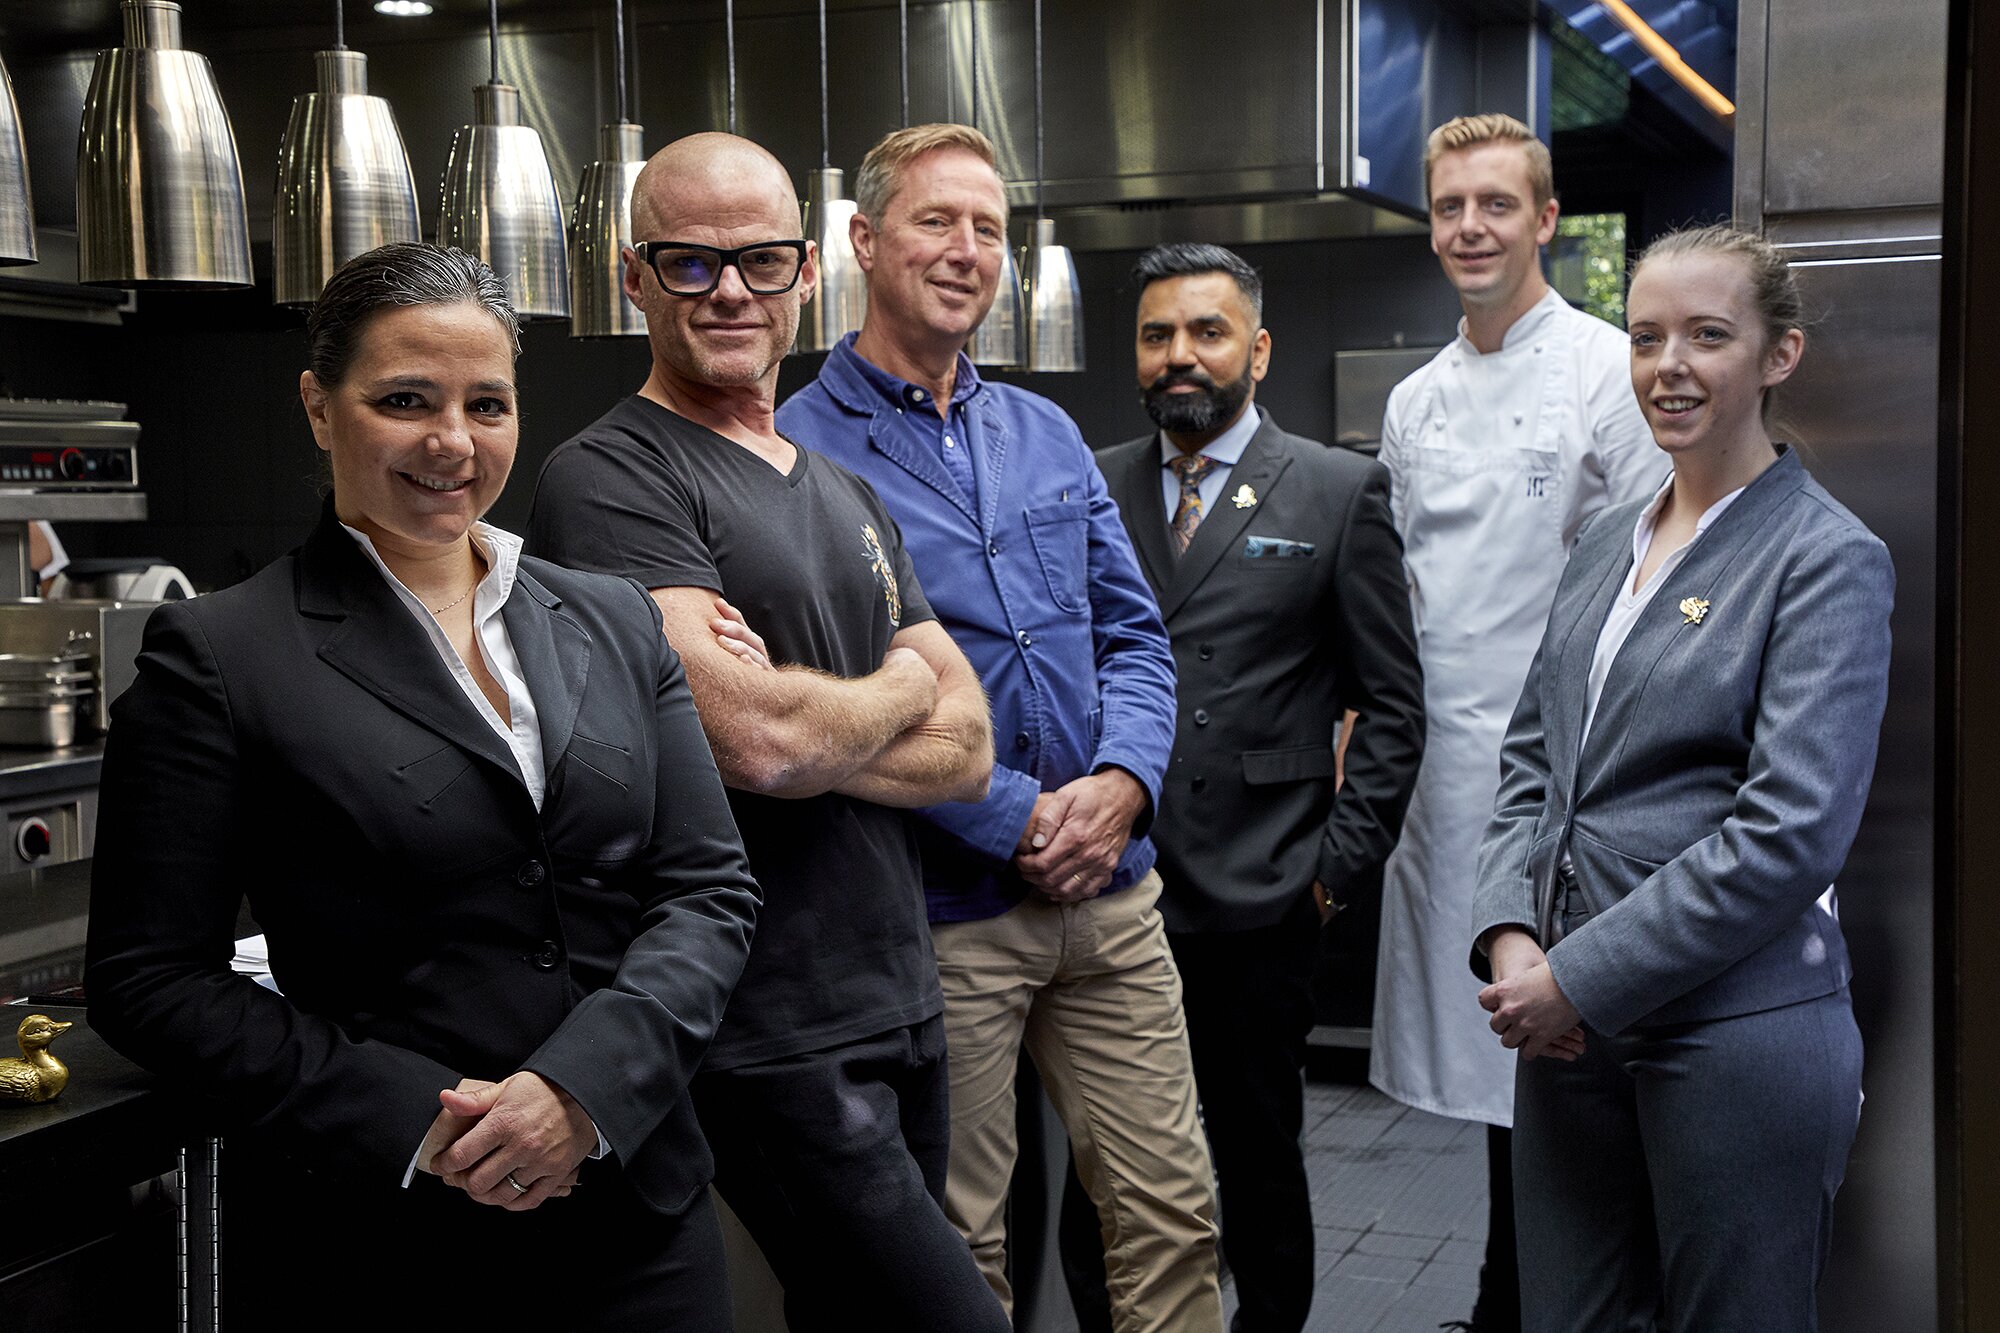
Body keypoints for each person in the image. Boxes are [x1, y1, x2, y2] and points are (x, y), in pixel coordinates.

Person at [84, 243, 761, 1329]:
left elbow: (709, 892)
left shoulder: (613, 616)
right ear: (318, 405)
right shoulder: (219, 652)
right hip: (387, 1236)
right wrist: (420, 1117)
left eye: (485, 404)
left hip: (638, 1215)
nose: (452, 442)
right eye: (405, 399)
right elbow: (147, 976)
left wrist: (580, 1091)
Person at [524, 133, 1008, 1332]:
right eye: (689, 264)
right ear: (634, 278)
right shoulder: (612, 478)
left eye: (758, 260)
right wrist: (898, 679)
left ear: (805, 271)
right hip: (765, 1015)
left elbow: (971, 750)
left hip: (897, 985)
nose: (730, 290)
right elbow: (760, 746)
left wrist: (827, 709)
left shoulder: (840, 488)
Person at [777, 123, 1222, 1332]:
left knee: (1173, 1214)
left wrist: (1123, 783)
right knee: (959, 1240)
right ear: (863, 241)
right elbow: (822, 706)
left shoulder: (1046, 434)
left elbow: (1134, 637)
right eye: (937, 221)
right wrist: (1013, 813)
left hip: (1112, 896)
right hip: (942, 911)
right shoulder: (797, 454)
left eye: (988, 228)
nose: (966, 250)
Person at [1472, 223, 1889, 1331]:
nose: (1668, 366)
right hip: (1567, 1033)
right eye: (1645, 335)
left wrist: (1578, 974)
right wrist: (1511, 934)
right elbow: (1530, 758)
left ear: (1775, 356)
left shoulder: (1824, 556)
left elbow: (1789, 832)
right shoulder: (1607, 537)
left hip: (1731, 1034)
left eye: (1707, 336)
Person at [1087, 242, 1426, 1332]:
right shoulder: (1088, 482)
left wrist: (1331, 873)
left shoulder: (1336, 489)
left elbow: (1392, 702)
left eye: (1205, 331)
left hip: (1260, 898)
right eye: (1155, 335)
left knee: (1255, 1165)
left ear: (1257, 349)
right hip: (1108, 890)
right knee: (1106, 1174)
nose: (1178, 356)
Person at [1374, 111, 1661, 1331]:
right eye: (1449, 206)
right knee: (1493, 1062)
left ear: (1545, 219)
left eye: (1495, 203)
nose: (1469, 227)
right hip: (1445, 777)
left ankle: (1550, 1304)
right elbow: (1400, 596)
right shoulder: (1412, 399)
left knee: (1568, 1057)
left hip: (1568, 775)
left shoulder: (1605, 368)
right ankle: (1505, 1298)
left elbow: (1654, 572)